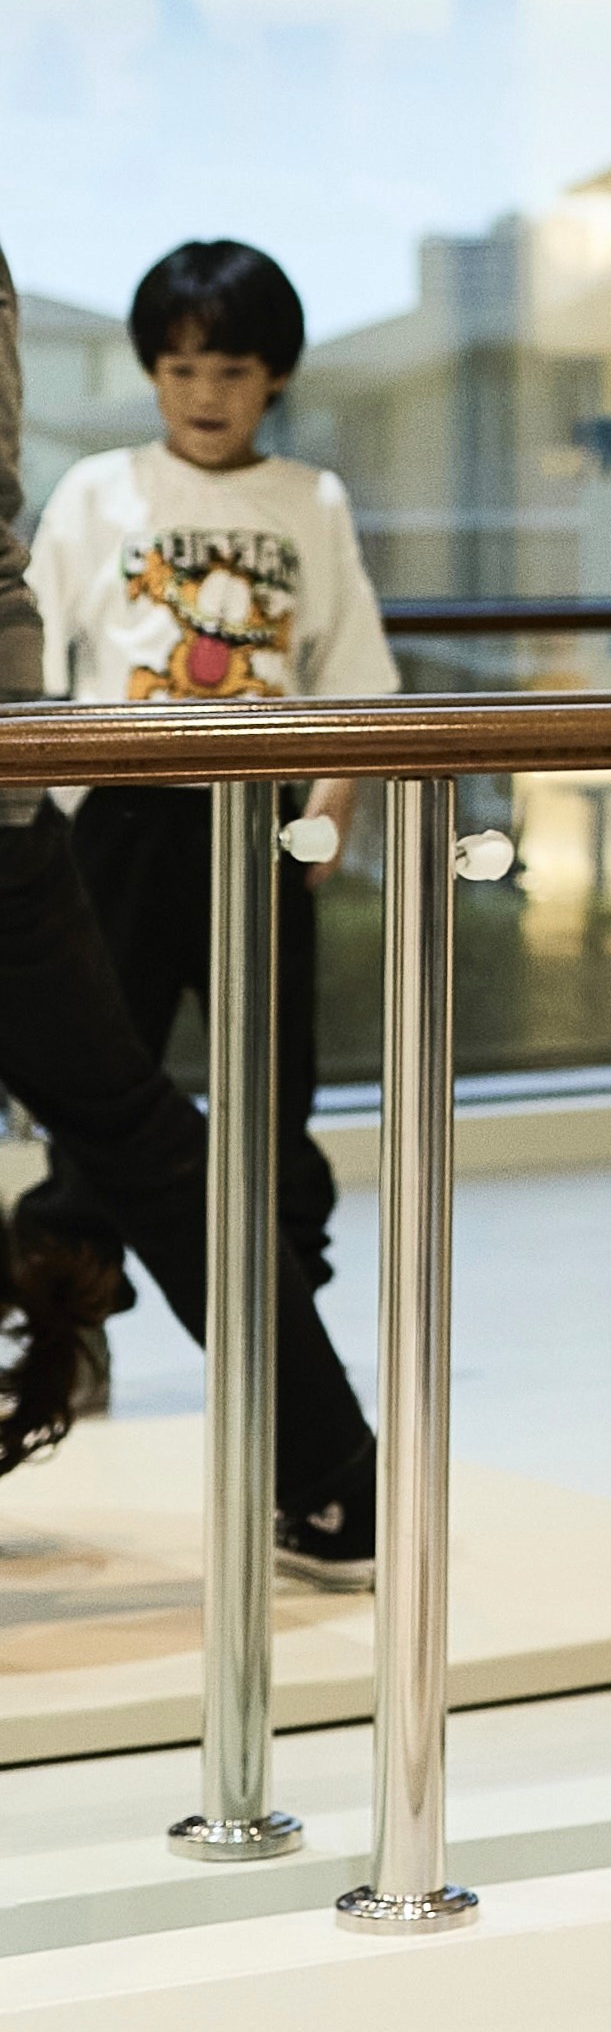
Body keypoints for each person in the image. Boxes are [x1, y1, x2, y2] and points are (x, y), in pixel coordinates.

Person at [0, 241, 379, 1564]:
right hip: (113, 819)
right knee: (107, 1096)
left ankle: (281, 1355)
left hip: (259, 818)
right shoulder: (100, 491)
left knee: (271, 1096)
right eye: (179, 367)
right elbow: (36, 656)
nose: (204, 392)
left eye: (231, 368)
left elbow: (357, 681)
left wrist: (328, 809)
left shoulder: (309, 499)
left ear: (274, 378)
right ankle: (66, 1322)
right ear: (150, 372)